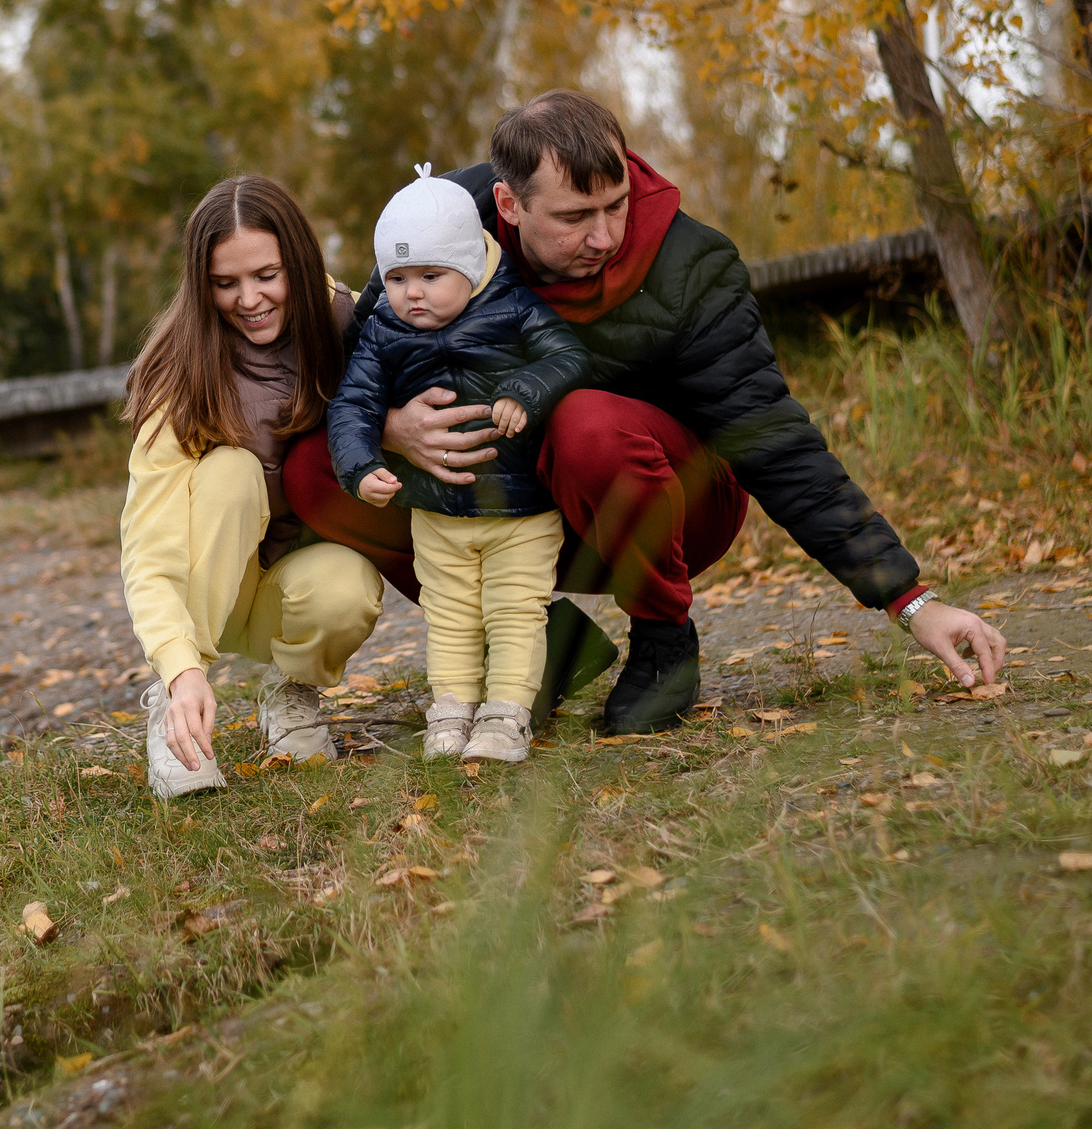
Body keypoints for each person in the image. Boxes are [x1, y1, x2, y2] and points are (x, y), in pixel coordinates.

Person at [283, 90, 1008, 736]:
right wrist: (387, 428)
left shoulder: (691, 267)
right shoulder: (438, 221)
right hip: (504, 502)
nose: (603, 235)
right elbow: (361, 360)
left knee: (584, 421)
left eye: (616, 205)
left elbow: (774, 439)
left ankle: (665, 645)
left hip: (672, 498)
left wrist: (909, 599)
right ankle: (534, 650)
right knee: (319, 469)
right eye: (574, 217)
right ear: (508, 207)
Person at [119, 175, 387, 798]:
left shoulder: (343, 321)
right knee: (232, 471)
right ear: (200, 284)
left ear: (296, 259)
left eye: (267, 274)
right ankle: (175, 709)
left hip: (292, 582)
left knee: (349, 589)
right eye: (225, 283)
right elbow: (149, 550)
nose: (249, 298)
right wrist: (179, 666)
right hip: (211, 585)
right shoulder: (178, 374)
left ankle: (292, 694)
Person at [327, 166, 592, 763]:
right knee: (447, 615)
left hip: (519, 507)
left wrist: (525, 390)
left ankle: (508, 714)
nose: (411, 293)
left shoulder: (514, 306)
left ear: (471, 267)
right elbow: (353, 402)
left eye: (430, 275)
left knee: (514, 610)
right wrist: (360, 463)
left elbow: (567, 356)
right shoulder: (382, 332)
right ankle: (450, 710)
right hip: (436, 508)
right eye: (395, 278)